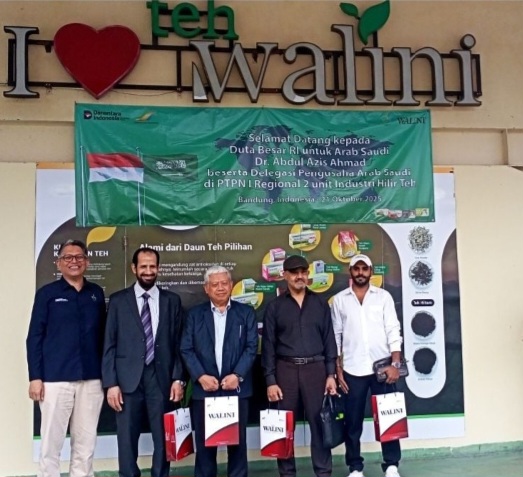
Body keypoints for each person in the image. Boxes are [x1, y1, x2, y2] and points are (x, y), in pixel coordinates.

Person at [102, 247, 185, 477]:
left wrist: (178, 378)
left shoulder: (172, 301)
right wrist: (111, 383)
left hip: (161, 379)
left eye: (152, 266)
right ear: (134, 268)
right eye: (143, 266)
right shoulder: (118, 301)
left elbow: (179, 344)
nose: (148, 271)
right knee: (126, 439)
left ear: (158, 268)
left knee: (163, 437)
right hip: (126, 381)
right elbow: (109, 344)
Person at [26, 239, 106, 477]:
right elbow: (34, 337)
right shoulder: (47, 294)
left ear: (87, 262)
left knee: (85, 444)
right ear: (58, 263)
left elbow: (104, 335)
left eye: (79, 257)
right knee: (51, 444)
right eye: (68, 257)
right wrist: (35, 377)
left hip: (91, 379)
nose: (74, 261)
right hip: (55, 379)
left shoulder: (96, 293)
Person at [261, 255, 338, 477]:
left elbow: (329, 341)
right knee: (284, 427)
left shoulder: (320, 304)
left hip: (316, 370)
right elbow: (268, 346)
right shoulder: (275, 307)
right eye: (294, 272)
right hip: (285, 371)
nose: (299, 276)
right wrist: (270, 380)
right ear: (285, 275)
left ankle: (323, 473)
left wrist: (331, 374)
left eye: (303, 272)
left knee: (320, 425)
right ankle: (287, 474)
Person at [180, 265, 257, 477]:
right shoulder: (194, 315)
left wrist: (238, 375)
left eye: (224, 283)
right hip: (206, 390)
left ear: (231, 285)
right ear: (206, 288)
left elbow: (252, 347)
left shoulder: (246, 313)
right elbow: (186, 349)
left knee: (238, 445)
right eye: (215, 284)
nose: (220, 288)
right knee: (205, 445)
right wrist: (200, 376)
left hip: (236, 389)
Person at [331, 254, 404, 477]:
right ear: (350, 271)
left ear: (371, 271)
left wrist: (395, 363)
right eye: (356, 268)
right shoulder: (340, 300)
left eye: (365, 268)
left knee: (388, 418)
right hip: (352, 370)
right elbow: (336, 337)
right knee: (352, 423)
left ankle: (391, 465)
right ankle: (355, 467)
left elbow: (393, 330)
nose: (360, 272)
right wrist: (338, 370)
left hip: (382, 370)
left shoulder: (383, 297)